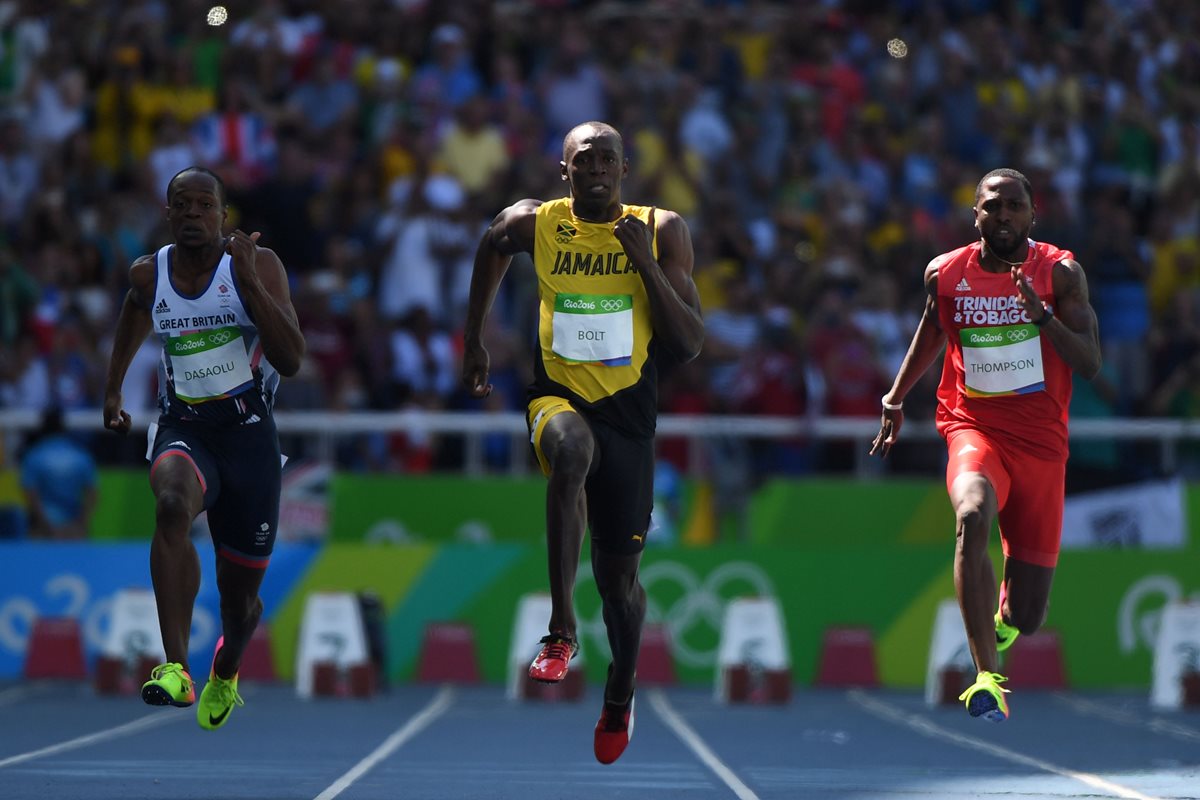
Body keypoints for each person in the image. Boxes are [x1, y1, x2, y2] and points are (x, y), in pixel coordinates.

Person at [462, 121, 703, 763]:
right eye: (583, 159)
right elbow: (491, 245)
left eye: (608, 159)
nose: (596, 167)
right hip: (557, 399)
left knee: (620, 586)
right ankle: (561, 631)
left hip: (629, 419)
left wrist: (643, 262)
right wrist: (474, 337)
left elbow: (687, 345)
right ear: (564, 170)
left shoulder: (662, 228)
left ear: (626, 169)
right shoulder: (536, 223)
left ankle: (620, 693)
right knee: (568, 454)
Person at [870, 168, 1101, 723]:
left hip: (1043, 446)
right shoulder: (946, 274)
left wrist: (1041, 317)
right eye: (992, 207)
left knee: (1029, 616)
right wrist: (896, 398)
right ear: (975, 214)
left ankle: (1002, 618)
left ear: (1031, 214)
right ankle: (986, 675)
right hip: (974, 428)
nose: (1003, 216)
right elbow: (933, 327)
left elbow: (1089, 363)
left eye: (1014, 206)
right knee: (971, 513)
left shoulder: (1060, 274)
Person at [103, 166, 305, 731]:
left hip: (250, 441)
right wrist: (114, 387)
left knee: (239, 605)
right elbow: (132, 313)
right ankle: (176, 668)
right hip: (185, 427)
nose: (193, 214)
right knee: (170, 504)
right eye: (182, 205)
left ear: (223, 215)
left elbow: (291, 359)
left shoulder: (258, 266)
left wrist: (249, 285)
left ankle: (228, 666)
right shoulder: (150, 275)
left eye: (204, 205)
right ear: (168, 214)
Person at [19, 407, 97, 539]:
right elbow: (93, 493)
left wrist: (47, 526)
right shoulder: (81, 455)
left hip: (43, 531)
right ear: (63, 428)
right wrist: (81, 523)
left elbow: (31, 494)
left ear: (42, 428)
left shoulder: (34, 455)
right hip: (73, 530)